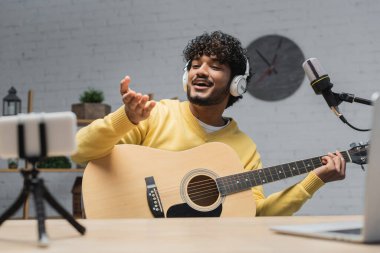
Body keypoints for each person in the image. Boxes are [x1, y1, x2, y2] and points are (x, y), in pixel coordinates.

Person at [72, 31, 346, 216]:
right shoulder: (155, 114)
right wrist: (127, 119)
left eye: (215, 66)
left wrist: (313, 181)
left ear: (236, 85)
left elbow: (255, 213)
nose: (200, 71)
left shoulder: (244, 147)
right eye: (194, 64)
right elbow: (80, 151)